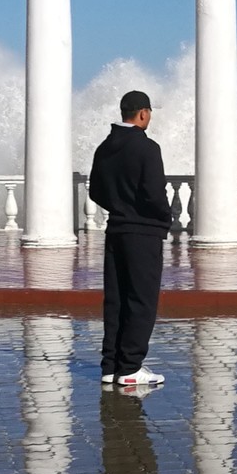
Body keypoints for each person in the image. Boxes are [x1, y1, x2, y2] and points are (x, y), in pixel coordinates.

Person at [88, 90, 173, 389]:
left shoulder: (104, 147)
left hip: (116, 230)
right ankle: (131, 367)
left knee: (116, 299)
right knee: (141, 299)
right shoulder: (147, 148)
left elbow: (94, 191)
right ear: (142, 114)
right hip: (144, 232)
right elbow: (154, 193)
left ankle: (111, 366)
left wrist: (118, 206)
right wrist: (165, 217)